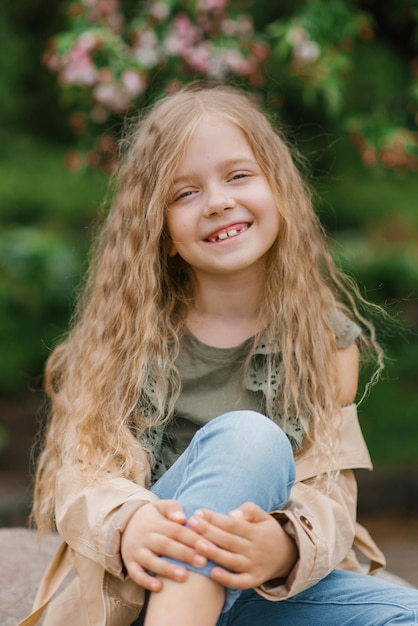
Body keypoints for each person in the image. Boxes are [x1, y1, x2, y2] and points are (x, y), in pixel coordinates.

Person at [20, 82, 418, 626]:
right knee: (249, 437)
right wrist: (129, 521)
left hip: (257, 589)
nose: (218, 202)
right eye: (184, 193)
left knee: (404, 614)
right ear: (159, 232)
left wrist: (280, 548)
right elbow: (79, 474)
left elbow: (327, 489)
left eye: (238, 176)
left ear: (278, 189)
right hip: (143, 589)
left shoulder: (324, 343)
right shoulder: (125, 338)